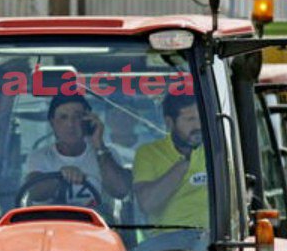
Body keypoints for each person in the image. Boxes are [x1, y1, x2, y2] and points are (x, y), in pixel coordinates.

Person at [23, 94, 131, 206]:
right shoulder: (40, 156)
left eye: (78, 116)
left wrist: (99, 145)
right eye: (63, 117)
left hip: (98, 221)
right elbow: (35, 192)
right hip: (50, 222)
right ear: (53, 123)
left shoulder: (107, 154)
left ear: (88, 120)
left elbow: (121, 191)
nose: (70, 124)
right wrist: (60, 177)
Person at [133, 92, 210, 229]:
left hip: (214, 241)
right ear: (170, 123)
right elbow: (147, 203)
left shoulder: (215, 150)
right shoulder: (149, 153)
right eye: (190, 119)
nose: (198, 126)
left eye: (200, 118)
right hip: (167, 242)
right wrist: (184, 164)